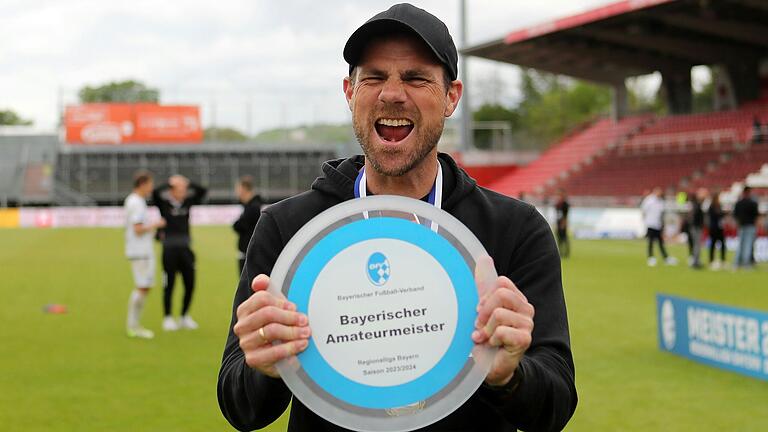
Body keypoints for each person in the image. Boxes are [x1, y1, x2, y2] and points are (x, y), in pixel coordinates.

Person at [217, 4, 577, 431]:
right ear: (350, 92)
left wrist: (508, 376)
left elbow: (555, 406)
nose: (391, 93)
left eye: (416, 77)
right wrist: (264, 365)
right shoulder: (289, 228)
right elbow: (240, 407)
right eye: (373, 77)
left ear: (451, 97)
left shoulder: (516, 229)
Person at [153, 174, 207, 331]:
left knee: (190, 283)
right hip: (169, 249)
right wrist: (169, 182)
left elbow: (202, 191)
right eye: (179, 189)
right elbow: (155, 192)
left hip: (186, 248)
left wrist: (187, 181)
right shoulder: (164, 204)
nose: (183, 192)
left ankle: (184, 316)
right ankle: (168, 317)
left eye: (184, 189)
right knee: (169, 284)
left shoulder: (188, 202)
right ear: (172, 191)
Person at [124, 171, 165, 339]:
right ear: (142, 184)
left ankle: (134, 325)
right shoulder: (137, 202)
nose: (152, 187)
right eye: (150, 184)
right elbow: (138, 228)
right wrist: (157, 224)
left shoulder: (135, 201)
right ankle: (133, 326)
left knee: (144, 287)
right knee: (142, 287)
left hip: (140, 250)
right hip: (140, 252)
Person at [232, 175, 262, 275]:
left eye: (238, 188)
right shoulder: (249, 205)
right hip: (247, 251)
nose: (236, 191)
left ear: (244, 189)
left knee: (246, 286)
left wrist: (237, 224)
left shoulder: (253, 207)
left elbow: (240, 225)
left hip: (248, 252)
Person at [641, 187, 677, 266]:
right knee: (651, 241)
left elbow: (662, 213)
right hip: (650, 224)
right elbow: (643, 211)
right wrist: (645, 221)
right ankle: (651, 258)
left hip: (658, 225)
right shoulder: (649, 200)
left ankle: (665, 258)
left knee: (660, 242)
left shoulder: (661, 201)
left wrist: (662, 224)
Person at [733, 186, 759, 269]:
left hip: (741, 226)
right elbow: (756, 216)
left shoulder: (739, 203)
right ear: (749, 192)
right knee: (748, 245)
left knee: (740, 244)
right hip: (750, 226)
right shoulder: (753, 203)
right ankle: (746, 263)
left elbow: (735, 215)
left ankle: (737, 263)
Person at [687, 189, 707, 269]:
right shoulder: (697, 205)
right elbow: (695, 218)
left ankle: (696, 261)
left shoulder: (695, 205)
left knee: (696, 245)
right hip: (696, 227)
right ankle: (695, 262)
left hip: (695, 227)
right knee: (697, 245)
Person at [708, 191, 726, 270]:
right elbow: (715, 215)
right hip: (714, 228)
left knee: (722, 244)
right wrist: (721, 213)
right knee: (713, 244)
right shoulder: (712, 207)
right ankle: (711, 259)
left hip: (719, 228)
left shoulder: (719, 206)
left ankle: (722, 259)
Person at [555, 189, 570, 258]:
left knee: (564, 237)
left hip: (563, 223)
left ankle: (566, 252)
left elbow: (565, 215)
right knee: (559, 238)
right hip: (558, 222)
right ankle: (560, 252)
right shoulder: (558, 203)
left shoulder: (565, 204)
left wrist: (563, 224)